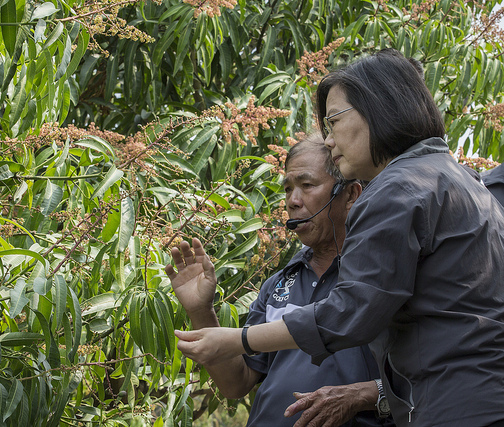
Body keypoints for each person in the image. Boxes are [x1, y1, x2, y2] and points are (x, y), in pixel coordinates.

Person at [172, 49, 504, 427]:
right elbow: (238, 382)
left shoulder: (399, 187)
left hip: (455, 404)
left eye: (333, 122)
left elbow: (351, 311)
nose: (329, 140)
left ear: (379, 110)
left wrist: (241, 338)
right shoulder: (459, 181)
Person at [166, 135, 394, 426]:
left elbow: (423, 379)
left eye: (307, 185)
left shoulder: (379, 275)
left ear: (350, 195)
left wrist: (362, 395)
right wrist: (201, 310)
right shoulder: (277, 284)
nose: (293, 201)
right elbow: (236, 383)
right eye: (288, 189)